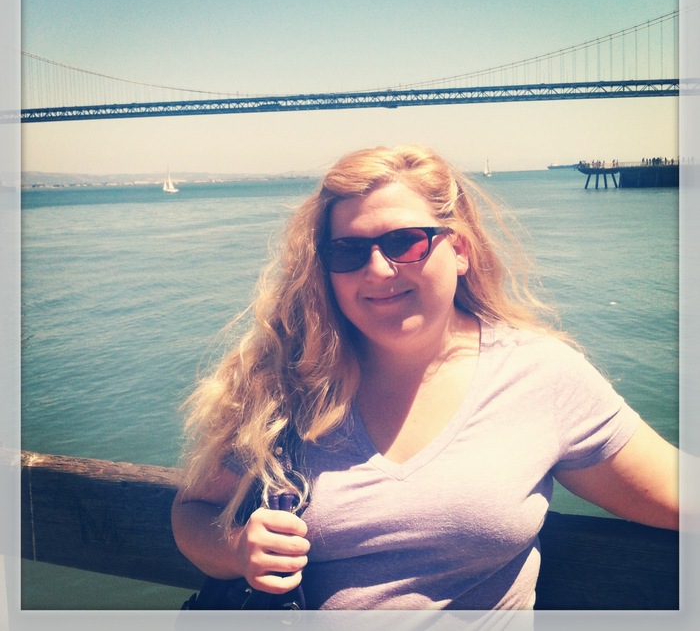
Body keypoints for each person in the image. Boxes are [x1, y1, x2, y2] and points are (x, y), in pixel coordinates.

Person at [171, 144, 678, 613]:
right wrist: (236, 550)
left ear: (459, 250)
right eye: (347, 251)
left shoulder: (538, 375)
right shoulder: (287, 382)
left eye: (405, 242)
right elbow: (192, 512)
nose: (377, 270)